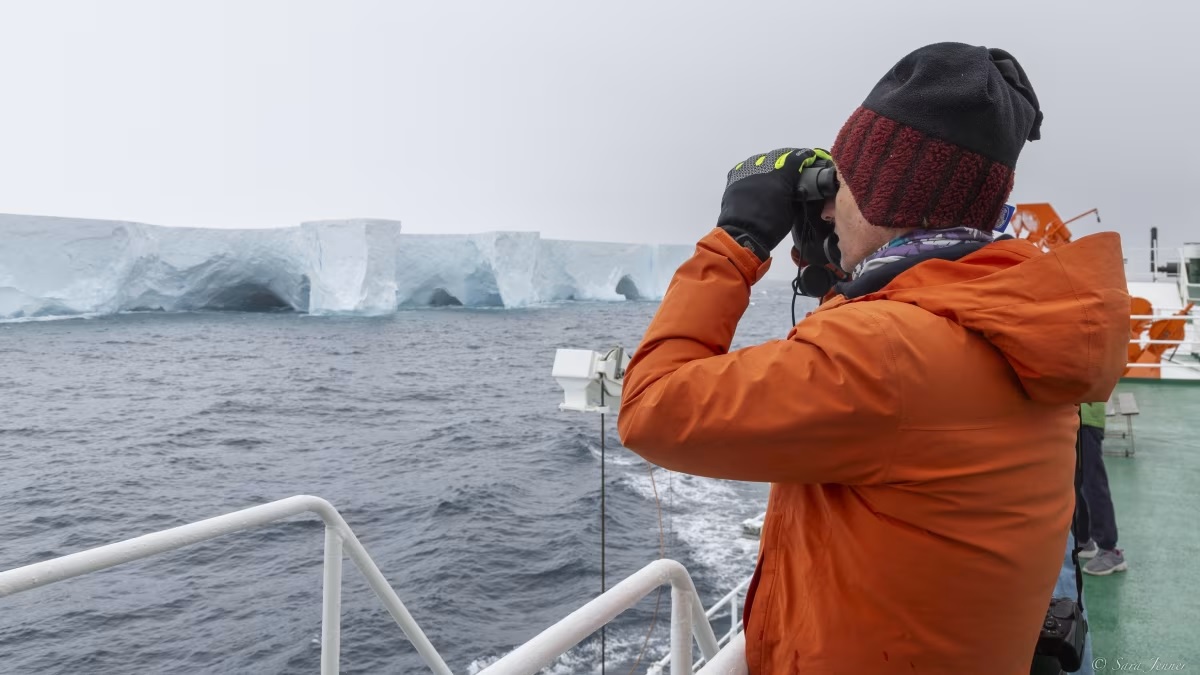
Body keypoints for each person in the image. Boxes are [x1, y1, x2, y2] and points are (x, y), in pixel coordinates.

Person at [616, 42, 1130, 673]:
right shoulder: (1006, 314)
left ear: (890, 199)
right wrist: (860, 275)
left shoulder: (884, 352)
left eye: (845, 186)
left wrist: (736, 241)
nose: (829, 208)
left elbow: (651, 408)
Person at [1076, 401, 1127, 575]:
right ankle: (1083, 539)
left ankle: (1109, 549)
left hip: (1087, 418)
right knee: (1078, 482)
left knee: (1093, 484)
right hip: (1075, 417)